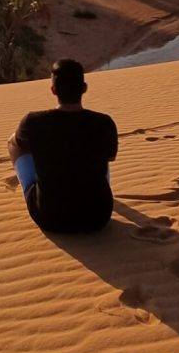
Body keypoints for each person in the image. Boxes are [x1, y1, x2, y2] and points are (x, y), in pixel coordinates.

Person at [7, 58, 118, 233]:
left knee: (14, 141)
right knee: (101, 150)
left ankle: (36, 187)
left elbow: (20, 144)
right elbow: (110, 157)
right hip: (98, 217)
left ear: (53, 90)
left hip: (50, 218)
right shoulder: (104, 122)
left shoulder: (33, 122)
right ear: (84, 88)